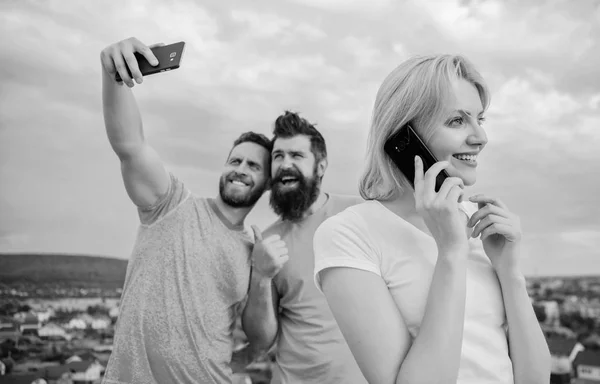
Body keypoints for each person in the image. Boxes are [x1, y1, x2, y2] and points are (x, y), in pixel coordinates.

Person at [313, 55, 551, 384]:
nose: (480, 137)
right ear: (404, 137)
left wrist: (510, 272)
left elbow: (535, 379)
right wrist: (451, 251)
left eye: (480, 119)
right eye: (457, 121)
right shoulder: (349, 234)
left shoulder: (480, 226)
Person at [99, 37, 288, 384]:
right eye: (235, 160)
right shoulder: (171, 204)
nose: (241, 168)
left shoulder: (255, 249)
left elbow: (260, 340)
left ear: (267, 183)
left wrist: (262, 276)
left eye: (254, 166)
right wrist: (114, 76)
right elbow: (130, 146)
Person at [242, 111, 367, 384]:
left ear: (321, 166)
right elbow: (260, 340)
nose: (285, 164)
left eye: (296, 156)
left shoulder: (361, 215)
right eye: (278, 156)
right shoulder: (267, 242)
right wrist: (261, 277)